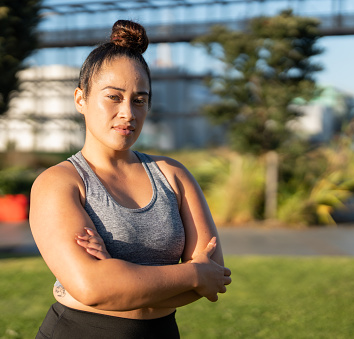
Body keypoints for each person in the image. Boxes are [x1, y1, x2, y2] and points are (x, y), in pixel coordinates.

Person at [29, 19, 231, 339]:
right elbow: (91, 286)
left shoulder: (173, 175)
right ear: (81, 99)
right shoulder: (59, 183)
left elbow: (214, 276)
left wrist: (118, 275)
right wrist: (192, 274)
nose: (128, 113)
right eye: (114, 97)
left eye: (139, 99)